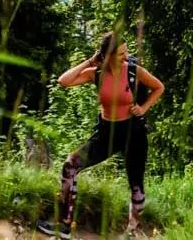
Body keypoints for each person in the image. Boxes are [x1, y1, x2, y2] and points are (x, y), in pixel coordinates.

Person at [36, 32, 165, 238]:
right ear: (107, 56)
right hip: (106, 133)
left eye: (126, 51)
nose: (126, 55)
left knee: (136, 185)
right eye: (121, 53)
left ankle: (132, 232)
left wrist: (143, 107)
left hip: (133, 133)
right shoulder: (96, 73)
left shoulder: (134, 70)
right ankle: (65, 225)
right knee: (70, 165)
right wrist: (90, 60)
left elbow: (159, 87)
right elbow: (63, 81)